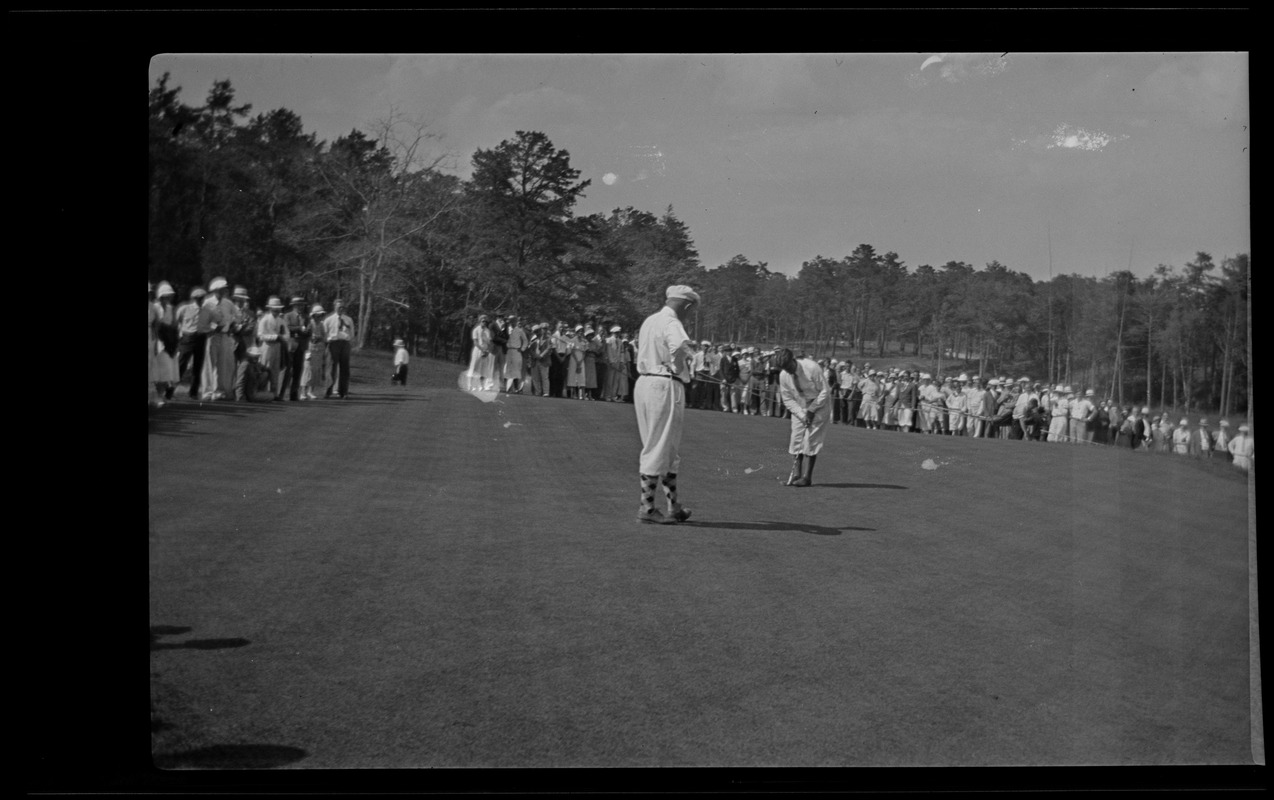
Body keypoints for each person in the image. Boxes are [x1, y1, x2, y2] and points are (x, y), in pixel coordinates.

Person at [633, 285, 699, 525]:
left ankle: (673, 505)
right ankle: (647, 507)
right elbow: (680, 346)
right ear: (687, 306)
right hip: (664, 385)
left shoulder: (650, 321)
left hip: (645, 383)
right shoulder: (672, 323)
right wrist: (683, 363)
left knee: (666, 447)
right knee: (659, 445)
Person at [778, 348, 830, 487]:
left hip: (820, 404)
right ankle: (796, 474)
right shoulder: (783, 375)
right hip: (800, 405)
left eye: (789, 367)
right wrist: (802, 415)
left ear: (793, 360)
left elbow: (825, 391)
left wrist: (812, 410)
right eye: (785, 369)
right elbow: (787, 399)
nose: (788, 371)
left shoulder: (812, 367)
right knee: (796, 440)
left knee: (810, 440)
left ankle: (807, 477)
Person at [255, 296, 289, 400]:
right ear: (270, 308)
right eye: (275, 309)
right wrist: (274, 337)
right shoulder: (264, 320)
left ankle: (274, 393)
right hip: (267, 346)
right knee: (266, 368)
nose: (277, 311)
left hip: (277, 346)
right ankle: (263, 391)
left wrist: (281, 337)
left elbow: (287, 334)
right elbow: (260, 335)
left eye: (278, 309)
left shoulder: (281, 320)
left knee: (275, 370)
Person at [175, 287, 206, 400]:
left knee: (197, 366)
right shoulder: (184, 308)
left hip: (201, 337)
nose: (200, 300)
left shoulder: (206, 310)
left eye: (202, 298)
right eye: (198, 298)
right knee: (181, 364)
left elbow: (215, 320)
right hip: (187, 337)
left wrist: (210, 329)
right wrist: (180, 333)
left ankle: (193, 392)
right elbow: (177, 320)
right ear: (194, 299)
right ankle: (170, 390)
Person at [152, 282, 180, 402]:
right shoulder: (154, 307)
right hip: (157, 341)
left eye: (169, 296)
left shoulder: (171, 309)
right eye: (166, 296)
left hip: (168, 343)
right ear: (161, 296)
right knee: (160, 370)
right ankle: (158, 395)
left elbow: (174, 326)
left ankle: (161, 394)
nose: (168, 298)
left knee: (168, 371)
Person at [324, 299, 355, 398]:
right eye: (339, 307)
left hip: (345, 343)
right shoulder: (329, 320)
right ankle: (328, 391)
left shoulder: (348, 319)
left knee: (345, 368)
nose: (341, 309)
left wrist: (349, 341)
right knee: (331, 368)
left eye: (342, 307)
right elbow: (324, 333)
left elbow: (352, 333)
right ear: (334, 307)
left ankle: (343, 392)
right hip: (333, 343)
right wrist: (328, 341)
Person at [281, 296, 310, 401]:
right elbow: (287, 328)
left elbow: (309, 330)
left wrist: (306, 332)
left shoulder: (306, 317)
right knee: (287, 370)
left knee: (298, 371)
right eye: (298, 305)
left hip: (301, 346)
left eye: (302, 305)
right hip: (290, 345)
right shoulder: (288, 316)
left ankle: (294, 394)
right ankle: (282, 393)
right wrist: (299, 329)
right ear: (294, 306)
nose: (300, 307)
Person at [306, 304, 328, 400]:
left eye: (320, 315)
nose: (319, 317)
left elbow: (325, 337)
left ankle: (311, 391)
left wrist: (320, 338)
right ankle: (304, 391)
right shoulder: (310, 323)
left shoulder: (322, 324)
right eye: (317, 315)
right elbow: (306, 335)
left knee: (316, 370)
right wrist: (312, 337)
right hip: (310, 348)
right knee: (308, 370)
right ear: (314, 315)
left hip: (319, 349)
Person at [468, 314, 493, 391]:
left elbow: (489, 342)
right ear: (480, 321)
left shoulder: (487, 331)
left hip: (485, 351)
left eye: (485, 321)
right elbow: (475, 342)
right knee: (474, 367)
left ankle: (480, 385)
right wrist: (482, 350)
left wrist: (487, 351)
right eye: (483, 321)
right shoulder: (476, 330)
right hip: (478, 350)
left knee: (483, 369)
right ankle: (470, 385)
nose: (484, 323)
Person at [504, 316, 527, 393]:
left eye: (513, 321)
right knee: (508, 369)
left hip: (516, 351)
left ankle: (516, 388)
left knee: (516, 370)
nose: (512, 322)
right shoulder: (507, 329)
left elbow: (525, 341)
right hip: (509, 351)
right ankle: (508, 388)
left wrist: (522, 348)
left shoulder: (519, 330)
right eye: (510, 321)